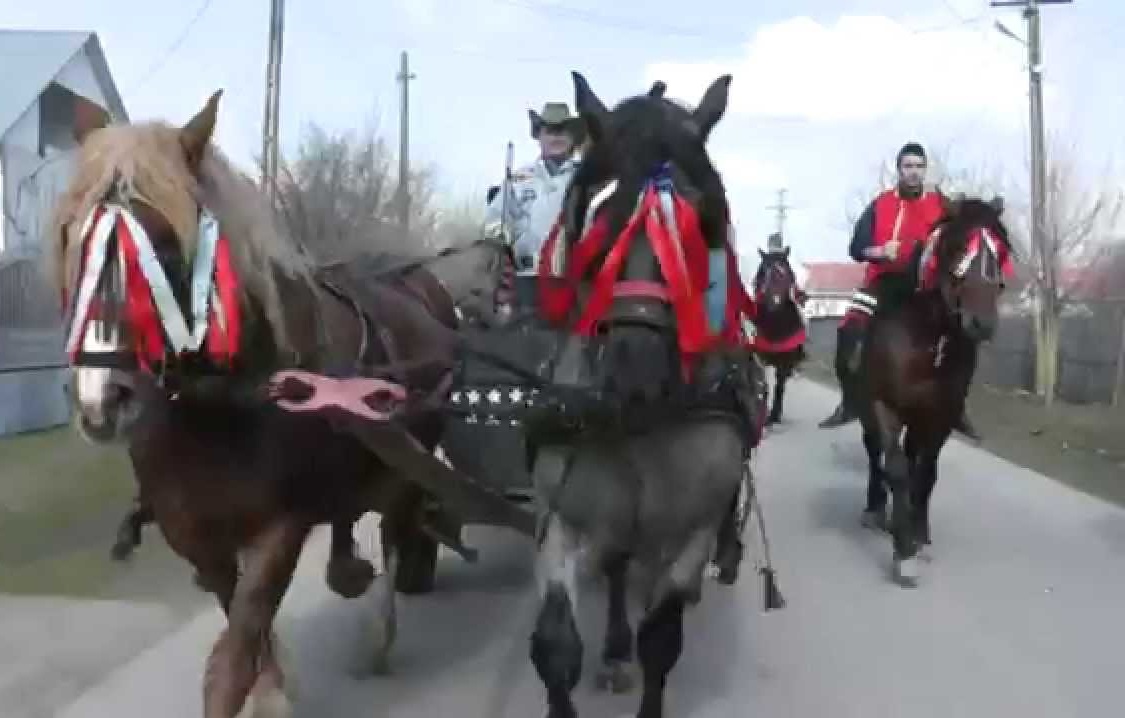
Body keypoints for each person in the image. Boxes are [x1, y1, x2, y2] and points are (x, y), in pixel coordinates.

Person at [818, 141, 981, 440]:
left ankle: (957, 406)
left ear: (925, 170)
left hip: (926, 286)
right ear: (899, 170)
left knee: (963, 334)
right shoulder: (880, 205)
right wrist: (879, 250)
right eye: (908, 166)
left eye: (919, 166)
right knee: (849, 329)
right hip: (884, 282)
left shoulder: (940, 204)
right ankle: (850, 400)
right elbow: (856, 248)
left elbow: (963, 235)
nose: (914, 172)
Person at [483, 102, 585, 283]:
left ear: (573, 137)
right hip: (524, 277)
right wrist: (501, 237)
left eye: (562, 130)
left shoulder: (586, 178)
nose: (556, 137)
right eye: (550, 131)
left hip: (573, 280)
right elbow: (495, 220)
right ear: (539, 135)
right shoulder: (517, 180)